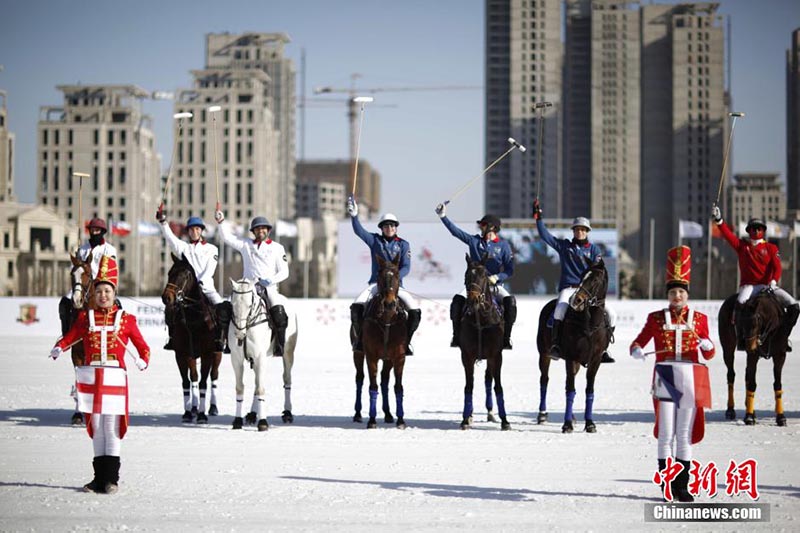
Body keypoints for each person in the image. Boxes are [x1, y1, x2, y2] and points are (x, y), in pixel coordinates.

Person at [49, 255, 151, 494]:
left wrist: (143, 360)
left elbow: (142, 346)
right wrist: (59, 346)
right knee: (96, 425)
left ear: (114, 294)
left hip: (115, 376)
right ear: (93, 296)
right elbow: (71, 337)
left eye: (107, 291)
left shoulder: (126, 320)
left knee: (111, 424)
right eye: (99, 292)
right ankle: (98, 478)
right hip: (91, 375)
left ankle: (111, 479)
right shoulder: (86, 318)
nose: (103, 295)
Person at [629, 245, 715, 503]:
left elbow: (709, 354)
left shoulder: (699, 319)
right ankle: (667, 485)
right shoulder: (655, 318)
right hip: (665, 377)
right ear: (667, 294)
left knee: (684, 435)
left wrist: (708, 347)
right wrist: (636, 351)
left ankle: (683, 486)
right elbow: (637, 343)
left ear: (687, 294)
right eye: (673, 292)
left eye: (681, 291)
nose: (677, 295)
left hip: (691, 378)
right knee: (666, 433)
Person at [533, 199, 617, 362]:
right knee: (559, 312)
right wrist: (538, 218)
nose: (580, 232)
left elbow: (598, 270)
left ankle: (604, 350)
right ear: (573, 231)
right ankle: (556, 345)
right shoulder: (565, 246)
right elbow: (545, 236)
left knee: (611, 314)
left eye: (583, 230)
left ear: (587, 232)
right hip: (569, 289)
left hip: (588, 291)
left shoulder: (594, 249)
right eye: (577, 229)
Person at [712, 206, 799, 348]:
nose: (756, 231)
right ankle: (741, 337)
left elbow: (777, 267)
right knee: (740, 302)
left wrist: (773, 281)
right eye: (752, 229)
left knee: (794, 305)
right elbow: (728, 235)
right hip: (749, 286)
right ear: (749, 231)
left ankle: (783, 337)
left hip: (767, 285)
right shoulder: (742, 246)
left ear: (763, 231)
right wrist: (719, 220)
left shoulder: (772, 248)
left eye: (759, 229)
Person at [346, 196, 421, 355]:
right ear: (381, 228)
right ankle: (359, 340)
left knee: (415, 311)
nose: (390, 228)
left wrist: (394, 278)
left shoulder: (403, 244)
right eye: (386, 226)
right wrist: (354, 216)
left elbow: (407, 266)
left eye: (392, 225)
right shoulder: (374, 240)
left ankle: (406, 342)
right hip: (376, 285)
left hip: (396, 286)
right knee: (356, 307)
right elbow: (358, 231)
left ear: (396, 228)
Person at [435, 202, 516, 349]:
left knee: (510, 303)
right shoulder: (474, 241)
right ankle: (456, 336)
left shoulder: (503, 246)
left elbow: (510, 270)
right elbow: (456, 232)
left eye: (483, 225)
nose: (481, 227)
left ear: (492, 227)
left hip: (493, 286)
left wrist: (497, 277)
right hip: (476, 286)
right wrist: (443, 216)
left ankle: (506, 338)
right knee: (457, 302)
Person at [214, 210, 290, 357]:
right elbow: (226, 237)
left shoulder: (277, 248)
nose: (260, 231)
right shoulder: (246, 244)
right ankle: (226, 343)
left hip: (268, 288)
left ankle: (280, 346)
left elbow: (284, 272)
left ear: (268, 230)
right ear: (253, 231)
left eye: (263, 228)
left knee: (279, 313)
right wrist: (221, 222)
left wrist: (270, 280)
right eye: (257, 229)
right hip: (247, 288)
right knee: (226, 311)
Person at [156, 207, 232, 353]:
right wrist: (163, 222)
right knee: (170, 309)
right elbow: (170, 238)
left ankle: (222, 340)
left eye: (197, 229)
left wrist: (200, 282)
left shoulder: (212, 249)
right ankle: (172, 339)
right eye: (191, 229)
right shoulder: (185, 248)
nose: (194, 232)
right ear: (188, 232)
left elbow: (210, 269)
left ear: (201, 231)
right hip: (187, 291)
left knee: (223, 310)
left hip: (207, 289)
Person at [58, 218, 118, 336]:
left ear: (102, 231)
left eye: (97, 230)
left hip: (101, 284)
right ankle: (66, 333)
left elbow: (111, 269)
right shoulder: (82, 248)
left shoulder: (109, 249)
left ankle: (115, 332)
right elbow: (75, 269)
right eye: (92, 230)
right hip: (82, 282)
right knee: (64, 303)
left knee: (118, 305)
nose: (94, 232)